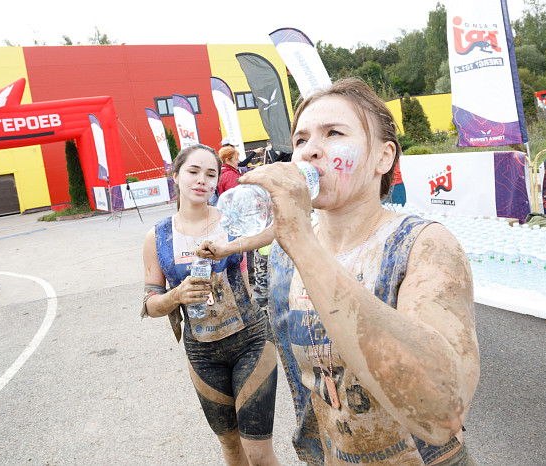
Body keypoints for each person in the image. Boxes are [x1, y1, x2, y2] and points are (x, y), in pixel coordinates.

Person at [198, 78, 480, 465]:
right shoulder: (285, 254)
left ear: (383, 158)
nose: (310, 151)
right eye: (300, 140)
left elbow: (442, 413)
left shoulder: (424, 245)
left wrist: (299, 239)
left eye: (333, 133)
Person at [141, 143, 280, 465]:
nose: (201, 180)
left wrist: (233, 246)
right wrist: (176, 295)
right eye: (193, 171)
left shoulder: (231, 221)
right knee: (231, 447)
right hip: (203, 354)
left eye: (210, 174)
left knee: (258, 450)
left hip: (251, 341)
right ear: (175, 175)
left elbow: (279, 229)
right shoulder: (157, 237)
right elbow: (150, 304)